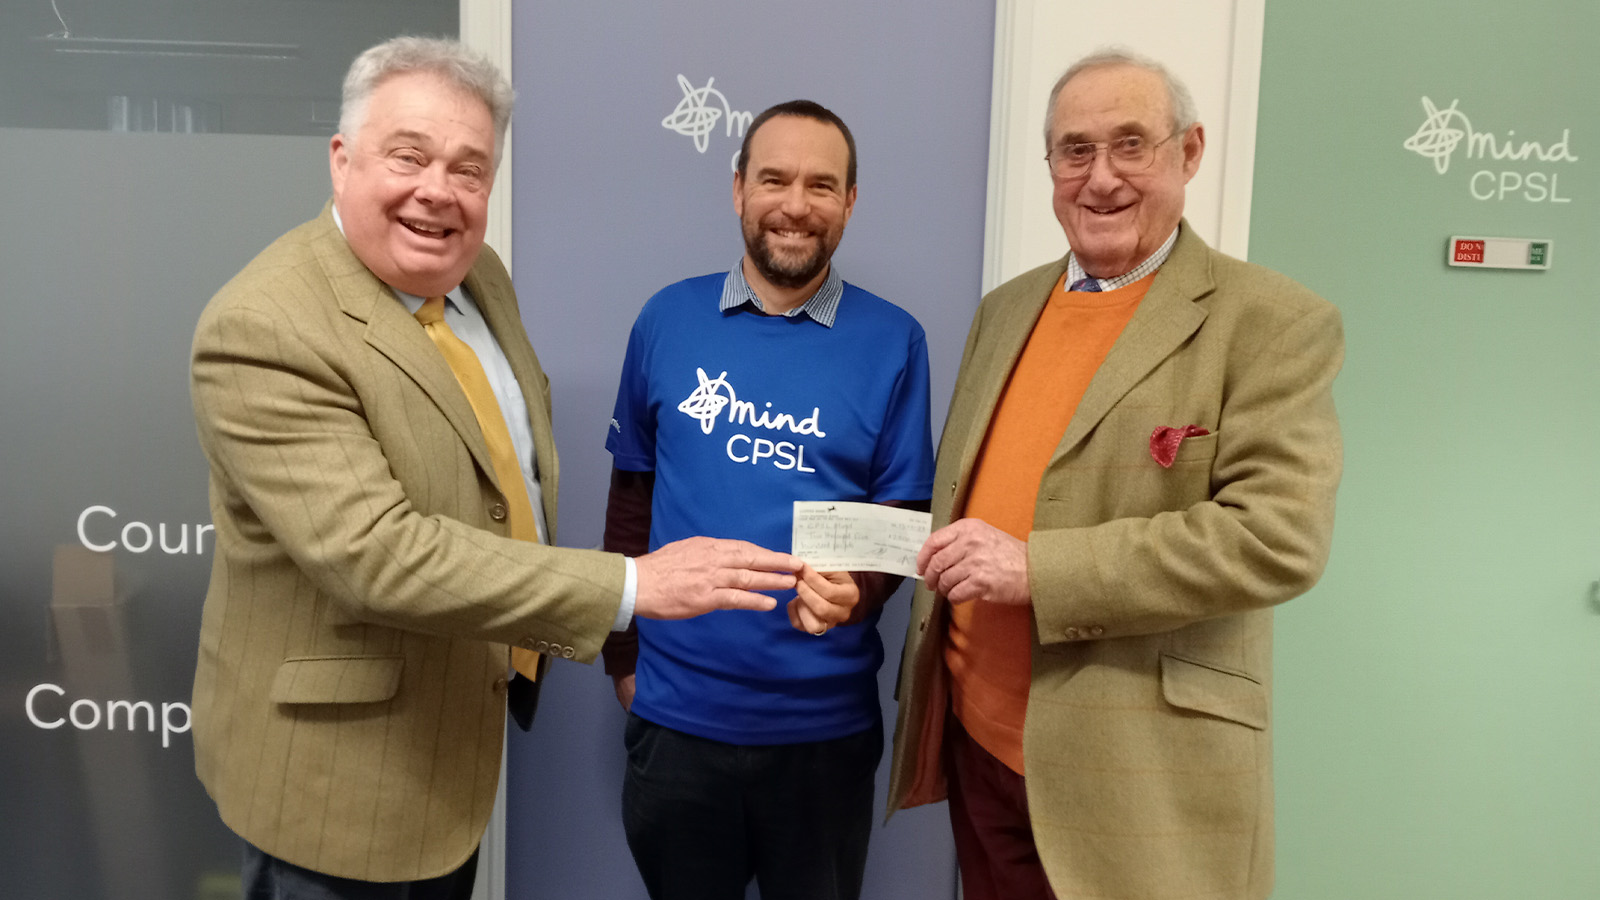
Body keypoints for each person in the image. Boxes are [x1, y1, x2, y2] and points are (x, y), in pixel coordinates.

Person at [189, 37, 800, 899]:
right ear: (341, 159)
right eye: (409, 155)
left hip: (449, 752)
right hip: (334, 784)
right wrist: (629, 586)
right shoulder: (264, 329)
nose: (439, 190)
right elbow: (376, 555)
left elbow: (493, 472)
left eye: (470, 169)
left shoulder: (477, 277)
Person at [886, 49, 1344, 900]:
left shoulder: (1272, 323)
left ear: (1190, 152)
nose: (1100, 179)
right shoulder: (1006, 309)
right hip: (980, 749)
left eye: (1131, 145)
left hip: (1138, 779)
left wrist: (1036, 568)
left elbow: (1277, 539)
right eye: (1075, 150)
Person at [600, 100, 934, 900]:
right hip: (675, 725)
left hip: (823, 737)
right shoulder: (666, 319)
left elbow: (899, 523)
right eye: (775, 179)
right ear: (739, 189)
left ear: (851, 202)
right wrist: (621, 660)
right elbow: (630, 502)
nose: (796, 204)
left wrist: (859, 595)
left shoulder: (896, 341)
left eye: (823, 185)